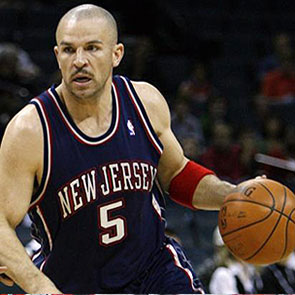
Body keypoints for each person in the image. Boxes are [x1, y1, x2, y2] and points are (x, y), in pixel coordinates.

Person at [0, 4, 260, 294]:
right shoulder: (30, 131)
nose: (79, 61)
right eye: (69, 50)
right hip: (75, 283)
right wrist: (38, 287)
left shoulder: (144, 102)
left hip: (154, 273)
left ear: (117, 54)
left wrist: (231, 194)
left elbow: (176, 174)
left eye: (92, 48)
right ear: (57, 55)